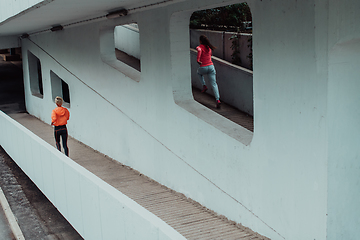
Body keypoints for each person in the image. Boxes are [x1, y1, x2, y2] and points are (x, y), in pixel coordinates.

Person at [196, 35, 221, 108]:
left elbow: (199, 50)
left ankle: (204, 85)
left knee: (198, 73)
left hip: (203, 67)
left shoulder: (200, 47)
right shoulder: (209, 48)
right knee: (214, 84)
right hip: (211, 67)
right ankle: (218, 100)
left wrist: (198, 60)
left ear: (200, 41)